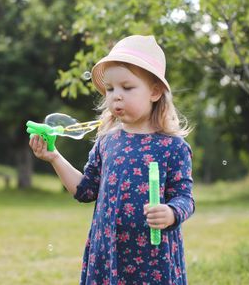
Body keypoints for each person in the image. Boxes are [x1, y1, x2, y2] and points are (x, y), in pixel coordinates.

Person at [29, 35, 195, 284]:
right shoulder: (107, 142)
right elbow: (85, 190)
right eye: (110, 89)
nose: (116, 96)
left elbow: (185, 197)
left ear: (155, 91)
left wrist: (171, 213)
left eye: (127, 88)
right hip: (109, 255)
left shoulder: (173, 147)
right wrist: (54, 157)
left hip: (154, 260)